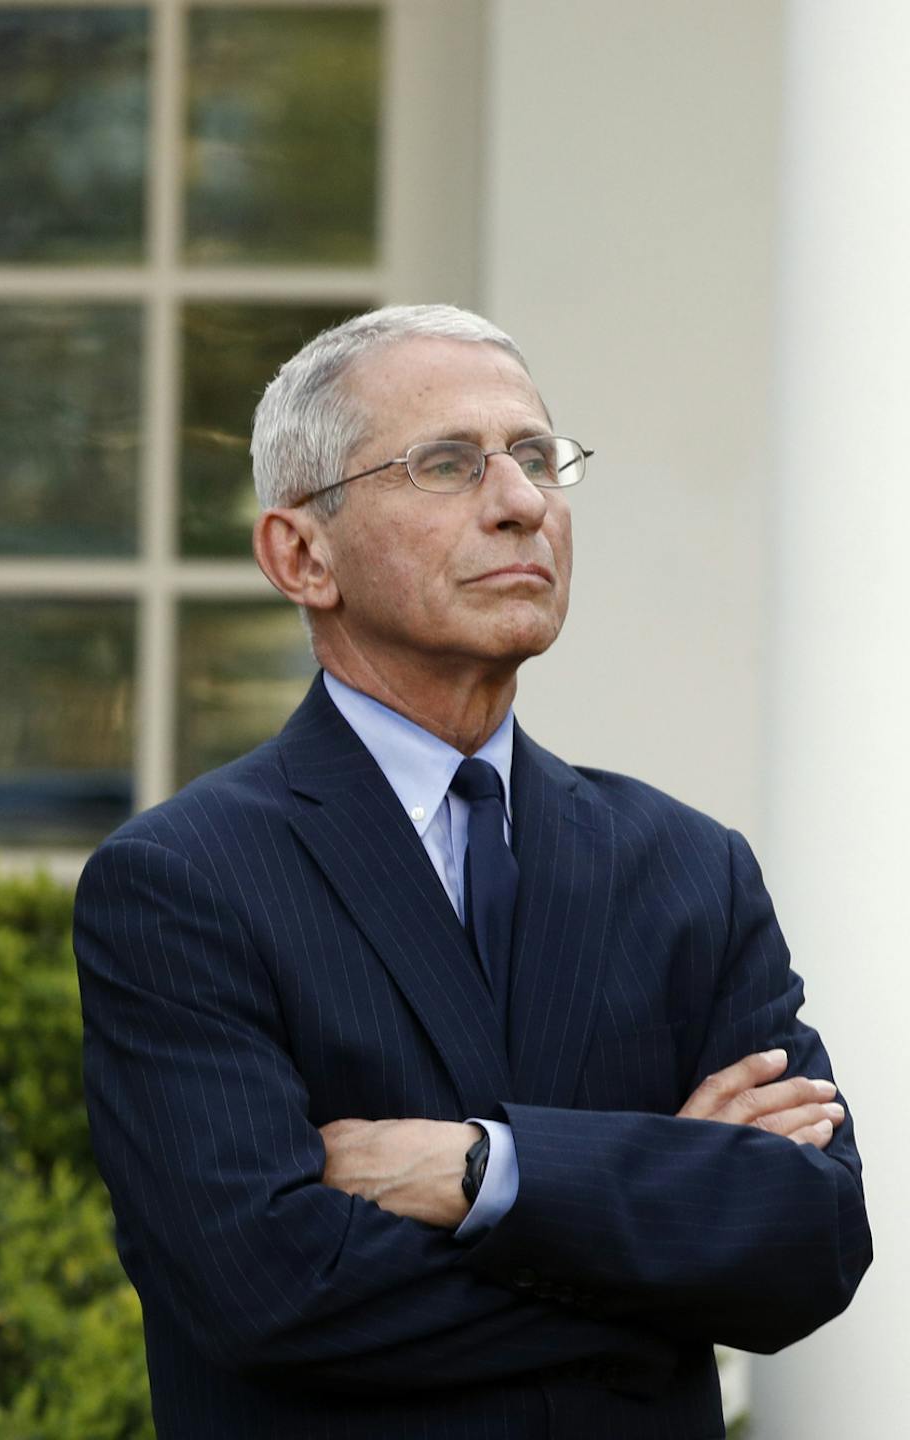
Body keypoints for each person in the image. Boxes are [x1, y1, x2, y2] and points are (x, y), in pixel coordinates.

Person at [74, 304, 869, 1437]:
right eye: (447, 464)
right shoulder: (181, 880)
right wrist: (665, 1222)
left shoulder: (691, 867)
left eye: (538, 458)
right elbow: (272, 1294)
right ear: (301, 553)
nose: (523, 503)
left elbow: (814, 1243)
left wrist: (481, 1169)